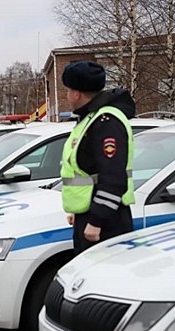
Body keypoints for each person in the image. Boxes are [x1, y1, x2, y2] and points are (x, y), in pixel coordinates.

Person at [60, 61, 135, 255]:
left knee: (105, 279)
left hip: (108, 221)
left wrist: (96, 219)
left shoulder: (106, 122)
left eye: (68, 91)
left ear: (76, 94)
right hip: (92, 214)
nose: (67, 96)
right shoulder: (91, 118)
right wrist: (81, 212)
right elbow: (87, 171)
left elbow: (113, 177)